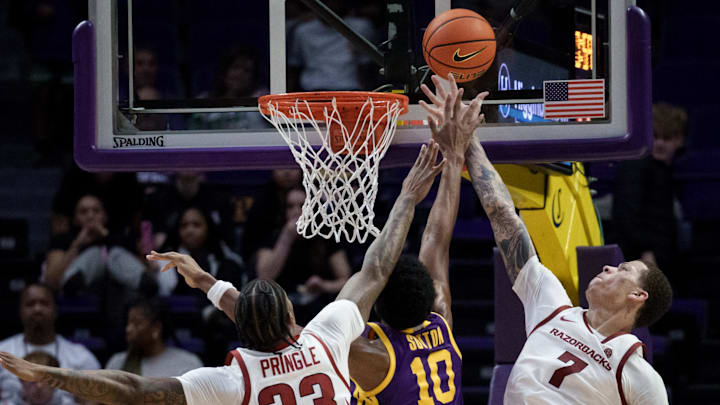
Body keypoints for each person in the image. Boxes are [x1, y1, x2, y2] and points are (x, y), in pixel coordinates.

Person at [0, 141, 446, 405]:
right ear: (290, 312)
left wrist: (50, 376)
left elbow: (131, 390)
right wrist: (408, 194)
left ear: (242, 333)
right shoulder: (326, 338)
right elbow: (378, 266)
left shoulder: (234, 380)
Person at [166, 81, 487, 404]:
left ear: (376, 308)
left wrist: (208, 283)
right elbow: (436, 237)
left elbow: (278, 331)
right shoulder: (439, 319)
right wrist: (456, 152)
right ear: (431, 294)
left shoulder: (371, 355)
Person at [421, 74, 673, 404]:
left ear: (638, 295)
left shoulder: (639, 377)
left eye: (622, 270)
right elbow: (503, 216)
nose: (610, 269)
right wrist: (467, 139)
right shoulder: (553, 307)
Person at [611, 103, 687, 288]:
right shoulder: (636, 167)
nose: (660, 143)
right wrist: (646, 249)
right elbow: (625, 212)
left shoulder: (665, 171)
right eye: (655, 136)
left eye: (667, 138)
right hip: (641, 259)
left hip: (661, 257)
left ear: (679, 140)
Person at [254, 187, 352, 325]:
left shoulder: (325, 236)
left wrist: (323, 285)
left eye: (302, 205)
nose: (296, 211)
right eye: (290, 206)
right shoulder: (272, 238)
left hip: (318, 309)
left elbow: (346, 280)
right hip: (280, 309)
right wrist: (287, 237)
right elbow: (263, 278)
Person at [0, 284, 100, 404]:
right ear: (20, 311)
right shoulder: (2, 353)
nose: (37, 309)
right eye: (30, 304)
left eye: (44, 303)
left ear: (55, 310)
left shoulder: (82, 357)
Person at [105, 298, 203, 377]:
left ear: (156, 328)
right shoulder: (117, 363)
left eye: (136, 323)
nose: (128, 329)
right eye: (128, 323)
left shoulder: (186, 364)